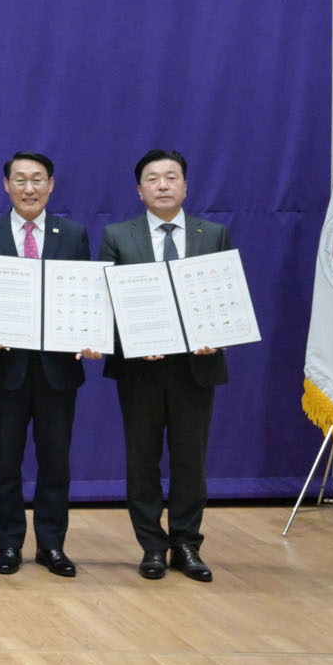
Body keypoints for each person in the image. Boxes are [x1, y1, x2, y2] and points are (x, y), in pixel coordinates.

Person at [99, 148, 231, 583]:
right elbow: (106, 304)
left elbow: (225, 296)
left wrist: (219, 333)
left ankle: (187, 544)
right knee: (143, 459)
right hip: (141, 369)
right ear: (139, 191)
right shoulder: (118, 235)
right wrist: (132, 342)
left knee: (191, 459)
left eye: (171, 177)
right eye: (152, 179)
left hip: (196, 367)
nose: (162, 185)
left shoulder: (213, 234)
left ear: (185, 187)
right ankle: (152, 546)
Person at [0, 151, 95, 577]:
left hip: (58, 371)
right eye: (20, 180)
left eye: (37, 179)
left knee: (55, 462)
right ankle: (9, 544)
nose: (29, 188)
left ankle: (52, 545)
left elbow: (85, 297)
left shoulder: (72, 234)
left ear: (51, 185)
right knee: (5, 462)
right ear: (7, 185)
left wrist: (89, 334)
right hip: (7, 369)